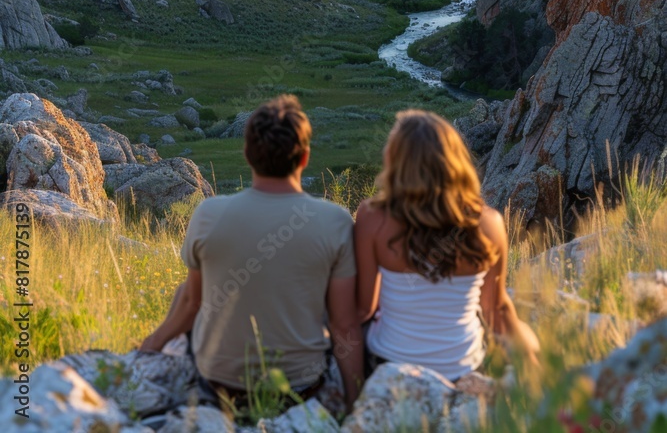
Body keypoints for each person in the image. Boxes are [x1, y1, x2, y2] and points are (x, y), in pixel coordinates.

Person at [140, 95, 364, 412]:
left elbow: (192, 303)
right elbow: (344, 325)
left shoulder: (208, 213)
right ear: (304, 158)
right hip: (298, 388)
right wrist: (354, 404)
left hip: (219, 384)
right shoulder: (335, 220)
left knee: (185, 291)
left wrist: (149, 347)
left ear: (247, 154)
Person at [355, 110, 540, 382]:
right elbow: (496, 310)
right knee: (530, 335)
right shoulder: (489, 223)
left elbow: (364, 309)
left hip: (392, 367)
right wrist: (533, 364)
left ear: (396, 163)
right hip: (463, 369)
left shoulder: (372, 217)